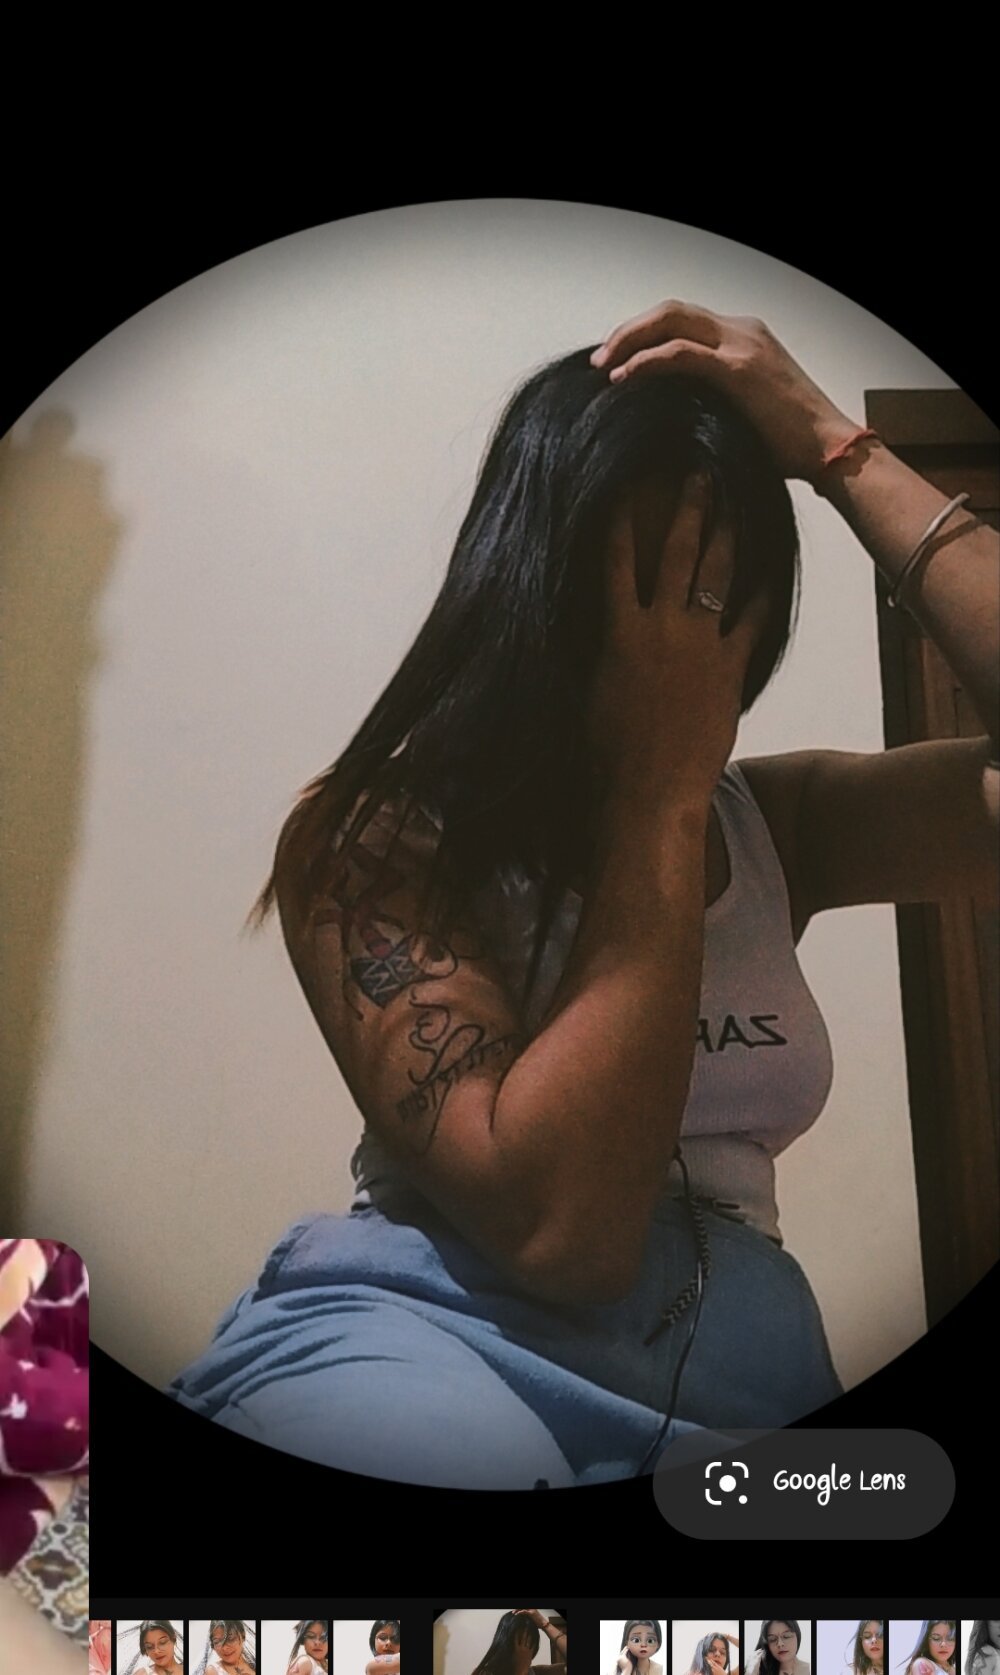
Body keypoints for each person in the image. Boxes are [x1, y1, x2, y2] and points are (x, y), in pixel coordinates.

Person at [167, 300, 1000, 1490]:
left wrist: (834, 446)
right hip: (434, 1332)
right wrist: (658, 798)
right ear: (536, 586)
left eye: (714, 594)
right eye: (644, 587)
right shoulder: (376, 841)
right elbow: (563, 1232)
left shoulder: (779, 825)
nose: (681, 643)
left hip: (742, 1358)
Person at [470, 1613, 567, 1675]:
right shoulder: (483, 1673)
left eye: (529, 1643)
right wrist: (521, 1670)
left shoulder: (540, 1672)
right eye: (520, 1642)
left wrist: (544, 1624)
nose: (525, 1651)